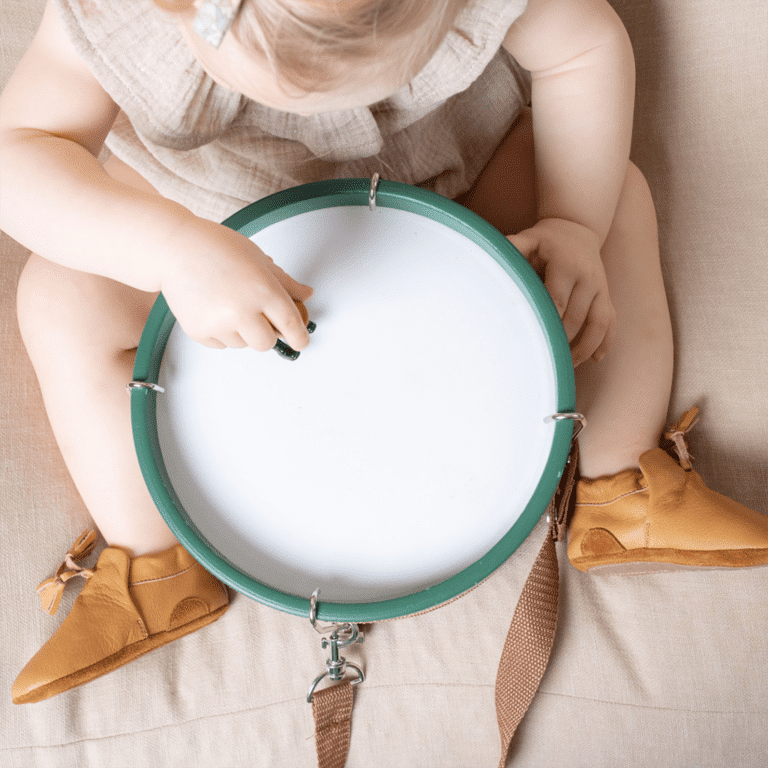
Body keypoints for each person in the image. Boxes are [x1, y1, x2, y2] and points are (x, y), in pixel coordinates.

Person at [1, 0, 767, 705]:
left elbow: (584, 49)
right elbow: (20, 153)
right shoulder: (116, 16)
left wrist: (574, 222)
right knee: (58, 296)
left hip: (446, 176)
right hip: (204, 218)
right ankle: (151, 561)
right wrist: (166, 251)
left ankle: (619, 480)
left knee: (615, 198)